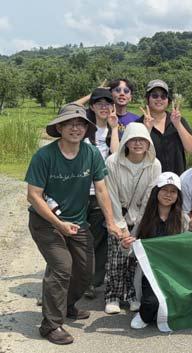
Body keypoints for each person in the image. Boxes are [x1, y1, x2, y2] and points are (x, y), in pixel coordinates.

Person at [25, 103, 121, 345]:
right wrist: (58, 223)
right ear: (60, 127)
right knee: (61, 267)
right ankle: (50, 325)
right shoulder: (44, 156)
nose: (75, 128)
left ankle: (66, 305)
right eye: (70, 123)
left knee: (85, 271)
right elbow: (34, 195)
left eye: (80, 124)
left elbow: (101, 189)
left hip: (78, 223)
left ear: (86, 129)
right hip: (45, 222)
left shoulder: (91, 154)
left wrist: (111, 222)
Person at [119, 172, 192, 329]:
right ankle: (144, 312)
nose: (168, 195)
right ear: (156, 191)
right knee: (151, 304)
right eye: (164, 190)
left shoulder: (183, 218)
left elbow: (190, 248)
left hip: (175, 271)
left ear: (178, 195)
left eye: (173, 191)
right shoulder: (145, 218)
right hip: (151, 272)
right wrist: (125, 246)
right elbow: (133, 250)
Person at [104, 122, 162, 315]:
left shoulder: (154, 165)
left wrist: (137, 228)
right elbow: (110, 194)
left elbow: (149, 197)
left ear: (148, 143)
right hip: (116, 215)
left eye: (142, 140)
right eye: (133, 139)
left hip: (141, 217)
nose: (138, 143)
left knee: (134, 259)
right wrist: (120, 227)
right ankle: (112, 296)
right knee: (116, 257)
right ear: (126, 142)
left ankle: (130, 295)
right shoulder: (112, 162)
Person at [82, 88, 120, 299]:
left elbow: (115, 157)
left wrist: (114, 129)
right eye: (99, 103)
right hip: (80, 193)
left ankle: (90, 283)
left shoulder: (115, 132)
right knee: (77, 240)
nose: (104, 106)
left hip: (101, 193)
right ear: (92, 106)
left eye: (108, 103)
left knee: (97, 241)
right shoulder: (83, 129)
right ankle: (65, 284)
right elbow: (66, 111)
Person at [139, 79, 192, 175]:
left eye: (163, 96)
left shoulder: (178, 121)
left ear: (168, 100)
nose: (159, 99)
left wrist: (178, 125)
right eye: (155, 95)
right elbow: (134, 155)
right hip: (150, 181)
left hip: (176, 181)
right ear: (147, 99)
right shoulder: (138, 124)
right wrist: (146, 130)